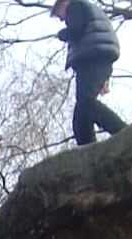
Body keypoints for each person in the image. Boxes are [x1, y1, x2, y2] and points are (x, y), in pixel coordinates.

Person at [53, 0, 127, 146]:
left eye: (59, 15)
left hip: (93, 60)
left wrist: (62, 34)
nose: (61, 19)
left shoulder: (75, 6)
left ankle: (123, 131)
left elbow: (76, 30)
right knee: (82, 111)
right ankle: (87, 147)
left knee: (86, 104)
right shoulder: (87, 10)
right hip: (96, 60)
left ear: (63, 4)